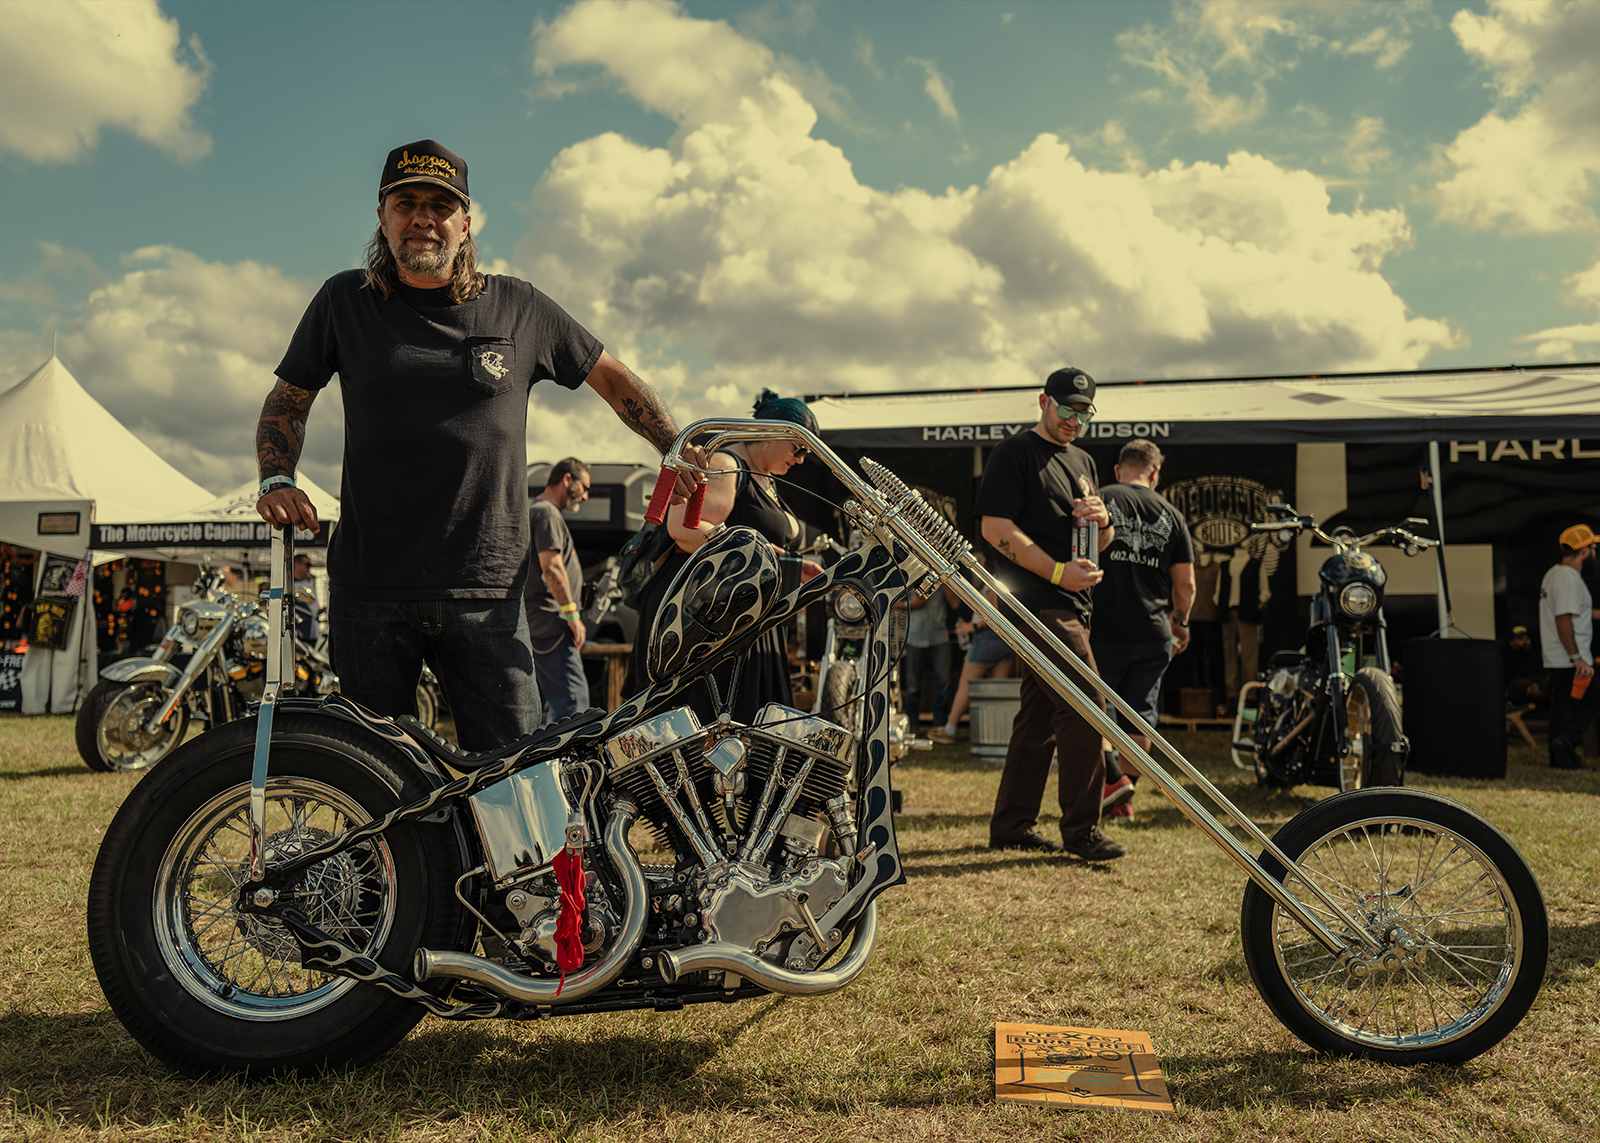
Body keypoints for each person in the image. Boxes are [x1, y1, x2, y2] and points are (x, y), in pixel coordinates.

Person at [254, 139, 702, 751]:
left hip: (488, 589)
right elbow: (287, 402)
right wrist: (277, 479)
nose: (423, 218)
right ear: (382, 219)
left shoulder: (520, 306)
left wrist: (675, 444)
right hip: (371, 589)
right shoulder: (343, 302)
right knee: (376, 779)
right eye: (406, 202)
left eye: (441, 205)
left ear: (467, 223)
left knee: (512, 779)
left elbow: (610, 375)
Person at [976, 366, 1121, 862]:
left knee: (1038, 718)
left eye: (1085, 412)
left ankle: (1012, 824)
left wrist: (1104, 524)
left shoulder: (1082, 460)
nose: (1075, 420)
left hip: (1074, 601)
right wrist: (1058, 574)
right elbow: (995, 528)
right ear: (1043, 401)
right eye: (1067, 409)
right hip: (1036, 602)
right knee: (1086, 703)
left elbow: (1100, 541)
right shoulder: (1014, 453)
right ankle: (1082, 830)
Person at [624, 390, 823, 725]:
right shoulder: (726, 464)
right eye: (799, 448)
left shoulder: (767, 480)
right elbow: (681, 528)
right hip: (710, 619)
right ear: (771, 433)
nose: (801, 459)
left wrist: (792, 568)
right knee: (704, 730)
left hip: (744, 620)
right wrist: (756, 551)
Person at [1088, 439, 1195, 819]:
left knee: (1093, 709)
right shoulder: (1172, 514)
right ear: (1154, 473)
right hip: (1153, 630)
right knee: (1139, 717)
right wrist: (1179, 622)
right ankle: (1124, 800)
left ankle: (1110, 784)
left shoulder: (1098, 500)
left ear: (1118, 470)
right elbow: (1186, 585)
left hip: (1102, 626)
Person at [526, 458, 592, 728]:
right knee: (575, 708)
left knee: (545, 717)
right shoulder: (547, 513)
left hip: (543, 625)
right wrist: (572, 614)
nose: (586, 496)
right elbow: (552, 569)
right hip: (553, 624)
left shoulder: (537, 510)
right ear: (567, 479)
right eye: (584, 487)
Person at [1538, 524, 1600, 770]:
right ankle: (1566, 745)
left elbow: (1577, 612)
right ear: (1584, 552)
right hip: (1569, 658)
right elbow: (1563, 619)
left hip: (1559, 655)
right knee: (1587, 701)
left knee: (1565, 705)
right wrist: (1577, 658)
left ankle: (1561, 754)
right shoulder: (1569, 579)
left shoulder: (1554, 574)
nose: (1595, 553)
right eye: (1593, 548)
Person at [900, 581, 957, 741]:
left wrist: (945, 580)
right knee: (913, 685)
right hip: (915, 636)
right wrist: (908, 603)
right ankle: (912, 724)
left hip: (940, 636)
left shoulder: (943, 578)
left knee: (945, 682)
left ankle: (939, 725)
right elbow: (891, 602)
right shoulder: (913, 573)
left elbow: (955, 604)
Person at [1502, 624, 1547, 709]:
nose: (1525, 641)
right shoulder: (1507, 657)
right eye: (1520, 639)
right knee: (1536, 688)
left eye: (1527, 638)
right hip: (1518, 683)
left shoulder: (1537, 655)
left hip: (1539, 680)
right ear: (1511, 642)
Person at [291, 553, 320, 645]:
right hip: (299, 632)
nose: (309, 568)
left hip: (312, 632)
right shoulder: (289, 584)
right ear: (296, 564)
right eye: (307, 565)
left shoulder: (309, 583)